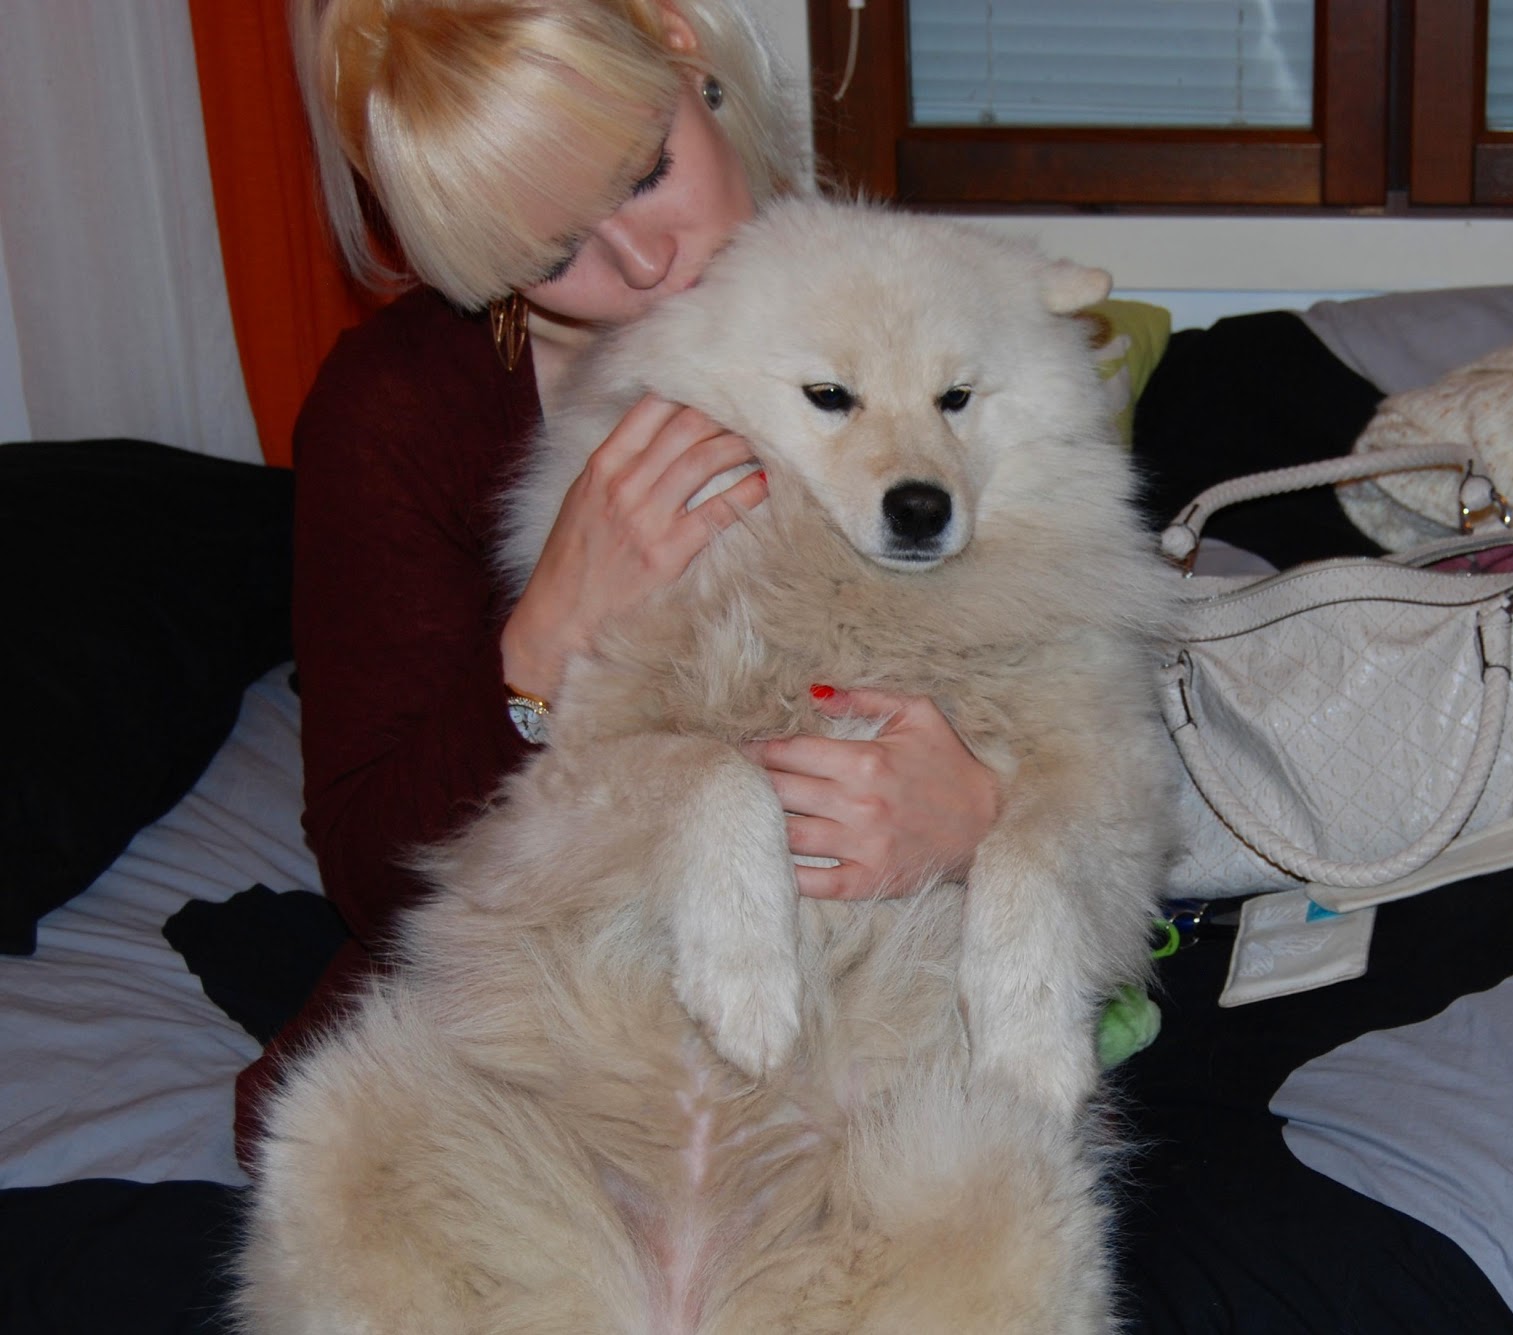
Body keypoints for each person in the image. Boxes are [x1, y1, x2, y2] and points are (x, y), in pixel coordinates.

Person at [235, 0, 1001, 1162]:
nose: (645, 265)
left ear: (682, 49)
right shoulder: (396, 411)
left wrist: (983, 817)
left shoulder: (897, 298)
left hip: (879, 993)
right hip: (563, 989)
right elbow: (370, 879)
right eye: (550, 255)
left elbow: (1083, 694)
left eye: (644, 173)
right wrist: (545, 642)